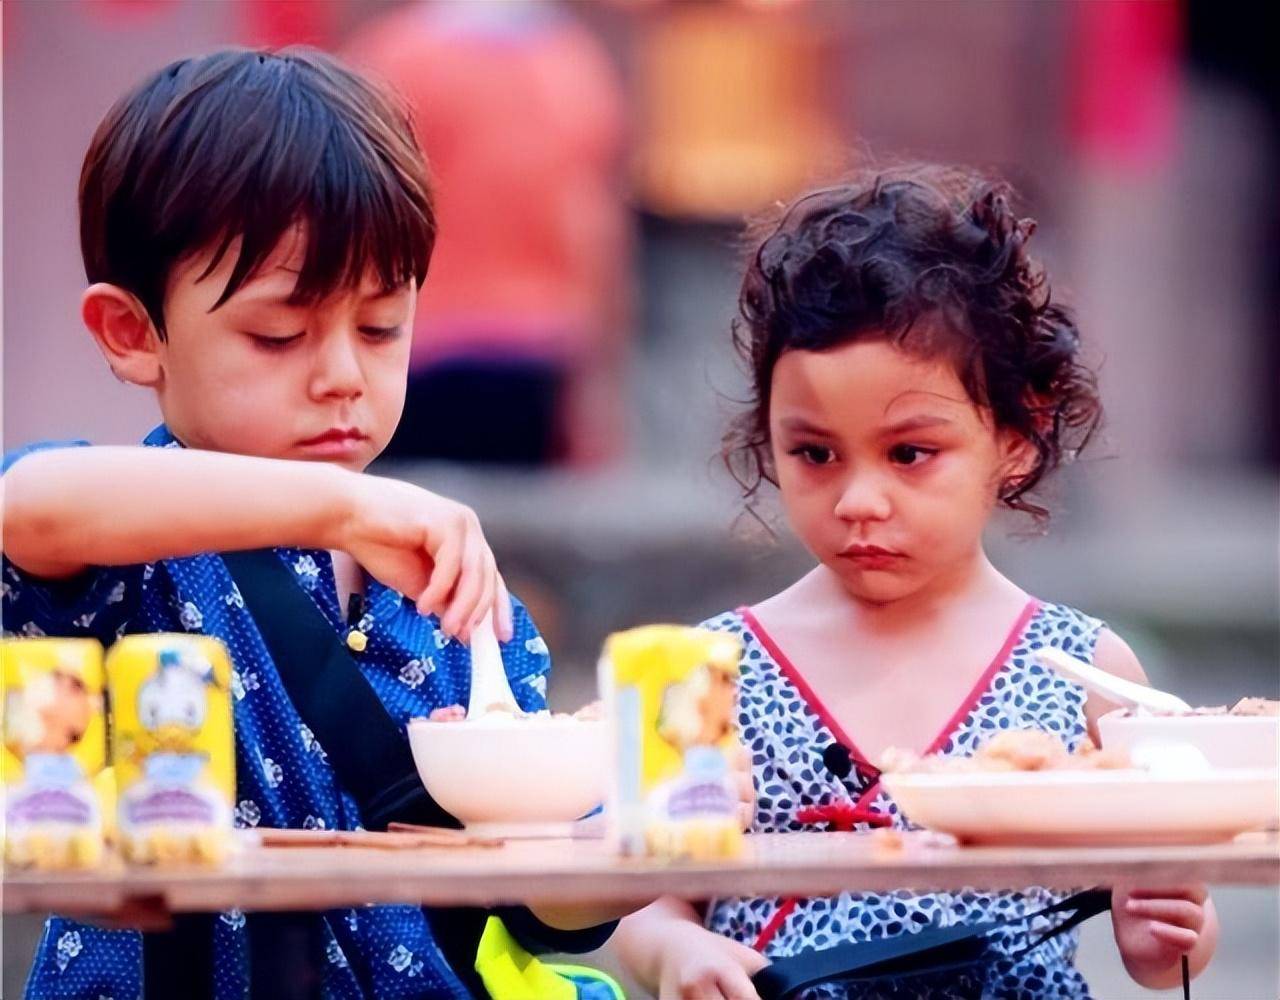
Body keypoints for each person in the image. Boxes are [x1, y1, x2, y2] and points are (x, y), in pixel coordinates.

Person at [1, 48, 619, 999]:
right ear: (133, 334)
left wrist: (617, 847)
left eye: (381, 328)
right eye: (279, 335)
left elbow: (537, 908)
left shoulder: (448, 590)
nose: (342, 375)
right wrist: (344, 503)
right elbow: (26, 506)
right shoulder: (132, 548)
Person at [611, 164, 1218, 998]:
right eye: (814, 454)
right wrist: (680, 953)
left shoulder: (1086, 676)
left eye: (910, 454)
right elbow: (649, 902)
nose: (860, 501)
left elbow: (1160, 938)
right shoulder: (708, 672)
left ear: (1018, 433)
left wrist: (1163, 930)